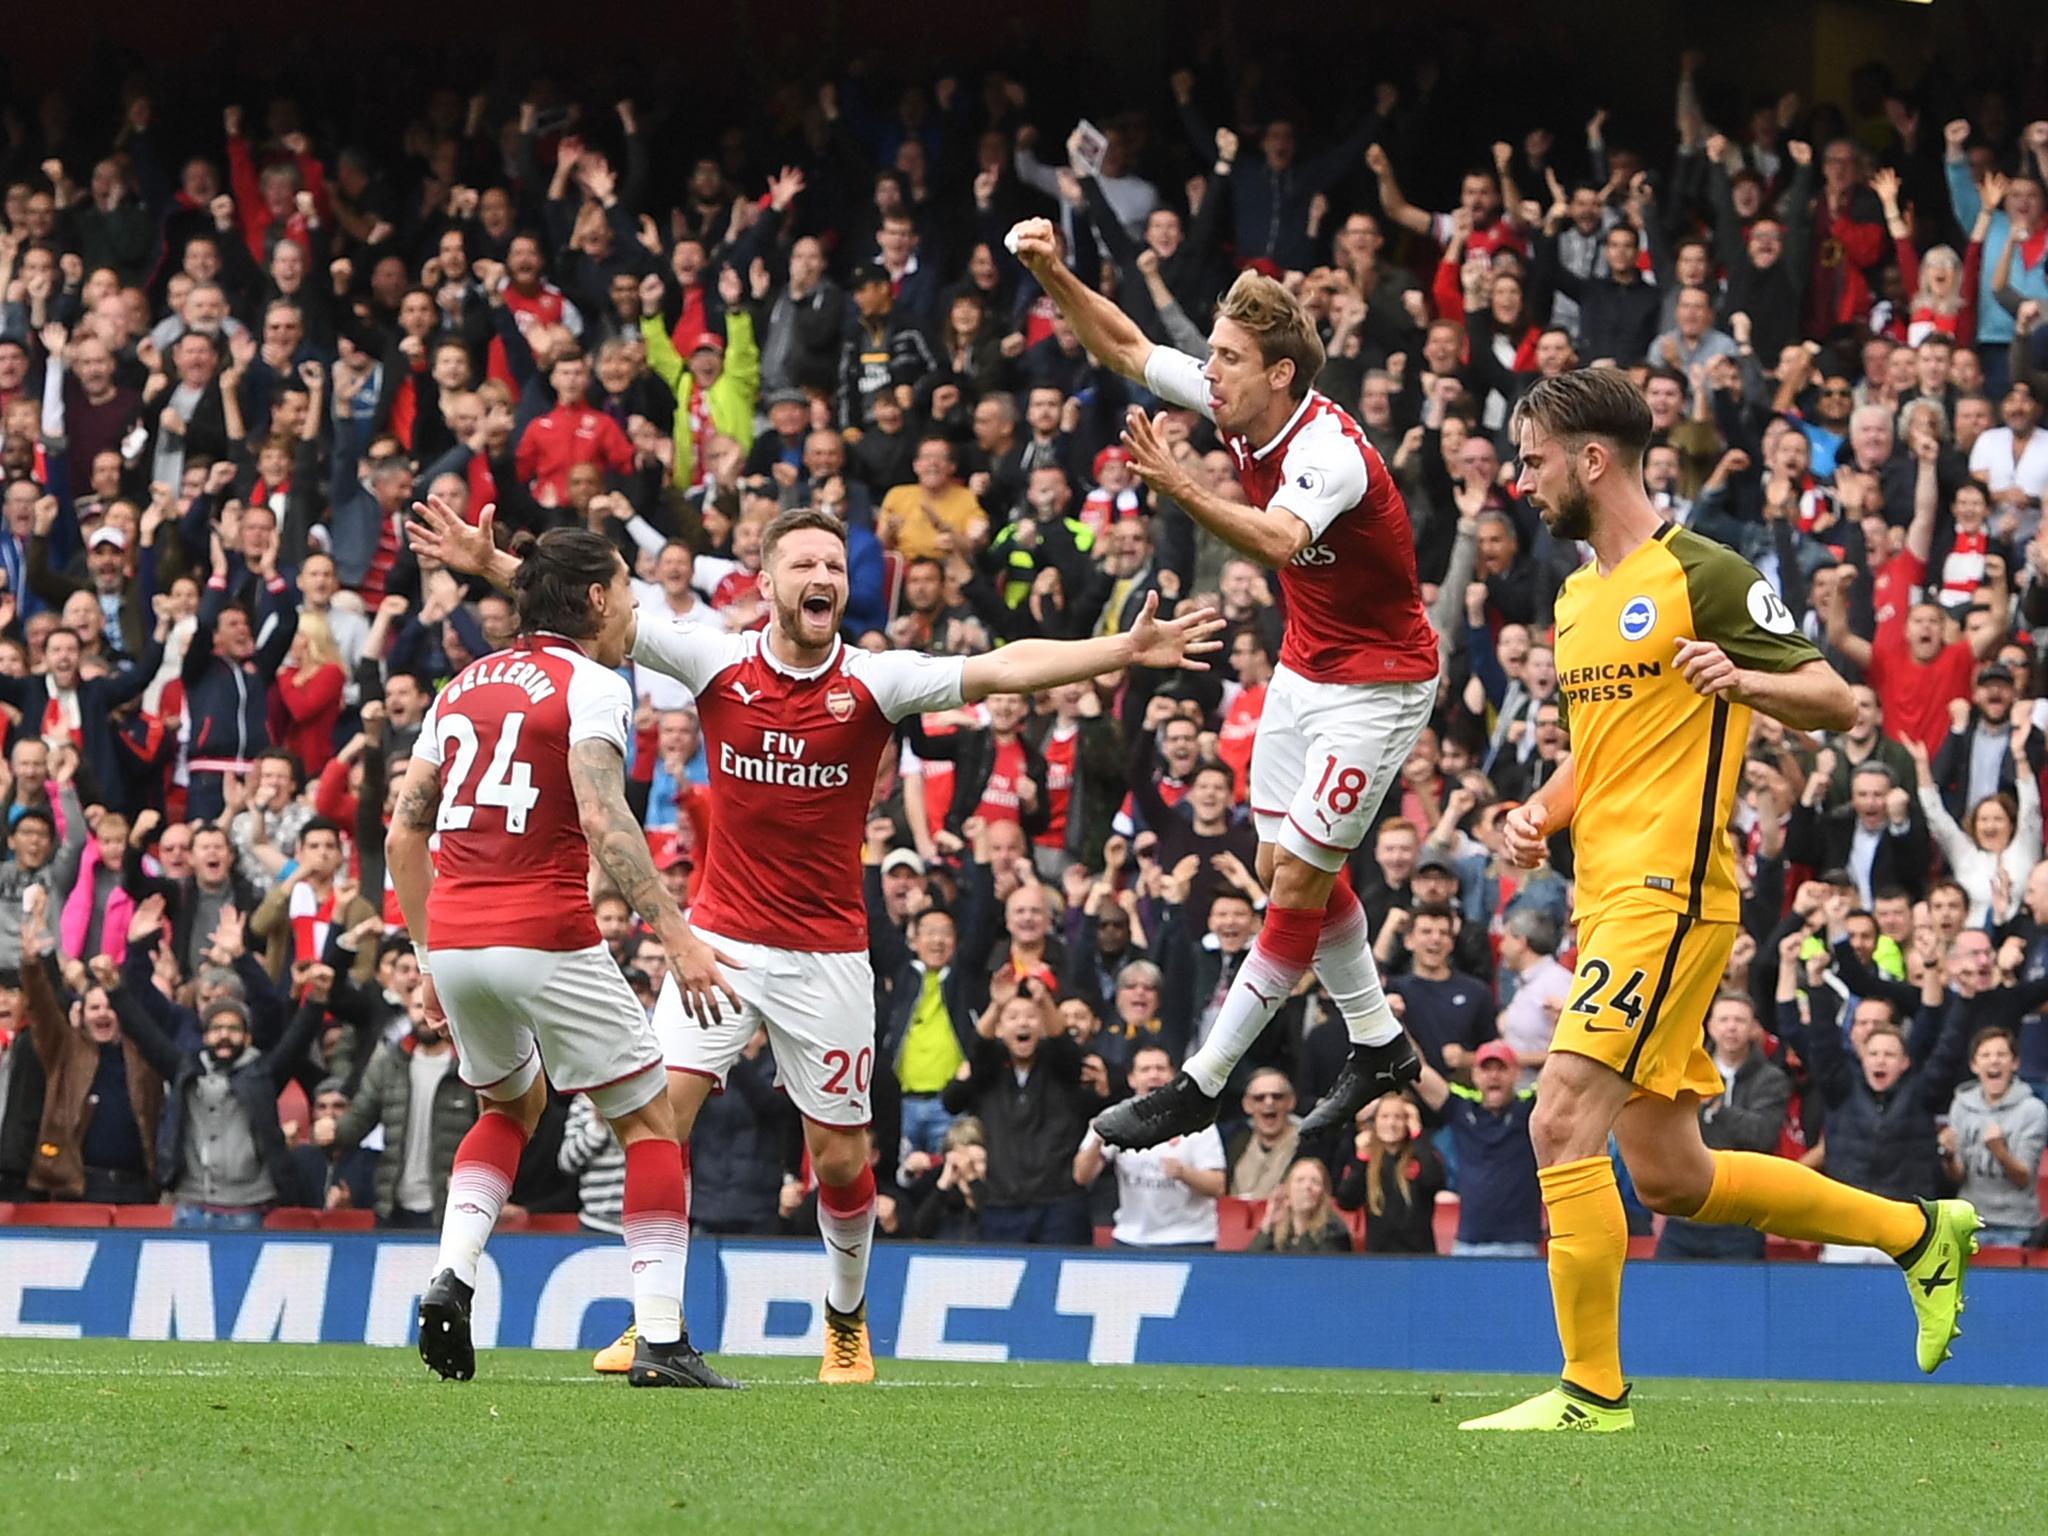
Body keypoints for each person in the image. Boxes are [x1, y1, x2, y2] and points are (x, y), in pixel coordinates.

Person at [407, 495, 1220, 1383]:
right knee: (656, 1121)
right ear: (766, 584)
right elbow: (581, 606)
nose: (822, 577)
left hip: (827, 956)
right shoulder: (712, 659)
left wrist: (1124, 650)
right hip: (716, 943)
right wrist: (488, 566)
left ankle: (844, 1318)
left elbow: (1003, 666)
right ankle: (657, 1324)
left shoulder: (876, 680)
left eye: (833, 566)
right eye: (803, 564)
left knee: (838, 1157)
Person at [1462, 369, 1978, 1435]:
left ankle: (1590, 1394)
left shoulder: (1702, 570)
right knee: (1668, 1175)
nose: (1520, 480)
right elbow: (1599, 757)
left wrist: (1743, 682)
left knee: (1558, 1116)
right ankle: (1916, 1234)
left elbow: (1837, 701)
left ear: (1590, 459)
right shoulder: (1571, 599)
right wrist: (1539, 807)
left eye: (1531, 459)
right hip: (1602, 895)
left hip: (1671, 895)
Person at [1006, 216, 1435, 1152]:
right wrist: (1053, 271)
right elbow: (1120, 343)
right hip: (1305, 665)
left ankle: (1200, 1082)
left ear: (1279, 373)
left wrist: (1185, 488)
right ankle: (1378, 1041)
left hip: (1379, 685)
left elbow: (1280, 539)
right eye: (1213, 354)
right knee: (1292, 871)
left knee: (1295, 887)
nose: (1212, 372)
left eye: (1230, 358)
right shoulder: (1236, 400)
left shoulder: (1325, 454)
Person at [385, 526, 728, 1389]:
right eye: (629, 594)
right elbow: (606, 818)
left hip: (458, 935)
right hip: (544, 928)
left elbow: (402, 835)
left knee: (511, 1104)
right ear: (598, 600)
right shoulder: (593, 683)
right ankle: (660, 1340)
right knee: (650, 1124)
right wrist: (676, 935)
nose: (636, 612)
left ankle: (453, 1274)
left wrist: (429, 956)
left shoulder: (460, 686)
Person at [1654, 995, 1793, 1261]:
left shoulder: (1771, 1079)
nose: (1731, 1027)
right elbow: (1667, 1134)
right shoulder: (1685, 1072)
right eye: (1724, 1020)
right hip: (1685, 1217)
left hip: (1740, 1220)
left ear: (1754, 1028)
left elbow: (1762, 1136)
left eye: (1740, 1020)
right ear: (1710, 1026)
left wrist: (1717, 1109)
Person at [1073, 1043, 1227, 1249]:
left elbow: (1217, 1186)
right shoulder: (1114, 1118)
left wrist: (1183, 1173)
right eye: (1145, 1070)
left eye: (1160, 1069)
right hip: (1131, 1238)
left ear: (1173, 1075)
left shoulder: (1198, 1120)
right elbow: (1081, 1176)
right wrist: (1098, 1139)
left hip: (1189, 1238)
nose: (1154, 1075)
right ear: (1132, 1078)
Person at [1942, 1028, 2047, 1246]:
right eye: (1986, 1055)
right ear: (1974, 1065)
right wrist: (1949, 1156)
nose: (1994, 1062)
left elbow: (2023, 1179)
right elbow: (1957, 1176)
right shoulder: (1961, 1105)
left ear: (2015, 1063)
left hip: (2016, 1226)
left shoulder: (2033, 1110)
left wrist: (1999, 1151)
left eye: (2001, 1055)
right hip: (1969, 1222)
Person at [1336, 1092, 1446, 1253]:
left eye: (1399, 1117)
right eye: (1385, 1117)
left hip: (1419, 1257)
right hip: (1380, 1258)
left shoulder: (1422, 1152)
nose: (1391, 1124)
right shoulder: (1367, 1158)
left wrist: (1417, 1134)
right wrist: (1361, 1158)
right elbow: (1346, 1201)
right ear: (1375, 1122)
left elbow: (1434, 1181)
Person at [1246, 1155, 1352, 1253]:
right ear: (1286, 1190)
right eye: (1299, 1180)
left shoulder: (1334, 1230)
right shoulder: (1280, 1228)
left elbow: (1311, 1268)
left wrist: (1302, 1223)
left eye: (1315, 1182)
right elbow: (1248, 1268)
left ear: (1323, 1194)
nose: (1307, 1186)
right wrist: (1268, 1225)